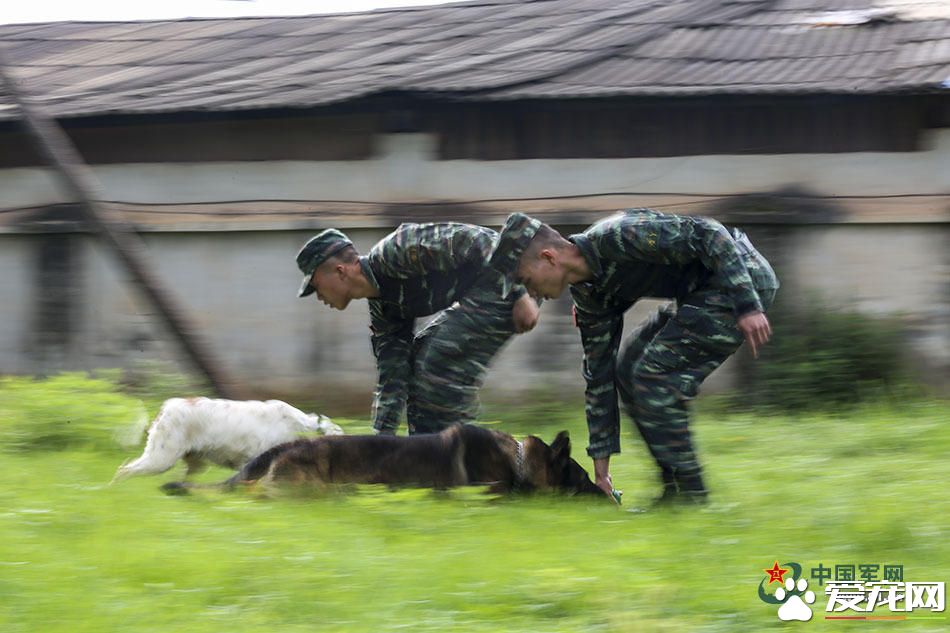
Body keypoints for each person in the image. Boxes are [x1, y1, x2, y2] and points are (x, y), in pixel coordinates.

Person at [490, 209, 778, 506]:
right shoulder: (590, 297)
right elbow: (599, 378)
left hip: (741, 280)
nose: (530, 294)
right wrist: (601, 474)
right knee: (627, 370)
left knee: (652, 376)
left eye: (526, 280)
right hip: (699, 294)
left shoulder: (617, 236)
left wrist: (747, 306)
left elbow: (711, 233)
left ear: (549, 258)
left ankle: (692, 495)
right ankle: (674, 489)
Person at [296, 223, 539, 435]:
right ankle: (424, 456)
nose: (319, 297)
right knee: (416, 359)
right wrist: (381, 443)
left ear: (340, 271)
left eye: (317, 286)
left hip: (512, 282)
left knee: (439, 356)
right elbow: (392, 377)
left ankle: (471, 455)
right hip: (484, 297)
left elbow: (483, 240)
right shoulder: (384, 310)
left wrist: (519, 293)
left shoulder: (396, 251)